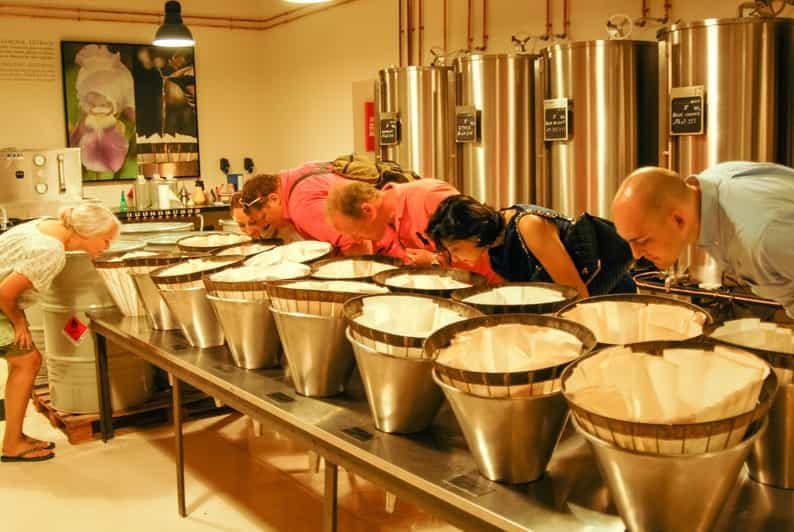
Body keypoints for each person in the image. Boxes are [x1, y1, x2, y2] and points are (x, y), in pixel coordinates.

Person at [0, 203, 119, 462]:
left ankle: (14, 437)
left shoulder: (47, 225)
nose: (106, 248)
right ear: (88, 232)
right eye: (106, 240)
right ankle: (11, 444)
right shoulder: (51, 251)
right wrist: (20, 323)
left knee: (22, 362)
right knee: (27, 362)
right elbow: (4, 293)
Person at [612, 161, 794, 317]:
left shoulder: (764, 237)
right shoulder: (706, 188)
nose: (635, 254)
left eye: (642, 240)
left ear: (678, 220)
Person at [426, 195, 635, 298]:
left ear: (471, 234)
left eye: (455, 249)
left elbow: (577, 295)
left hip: (608, 299)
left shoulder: (528, 225)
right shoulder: (491, 248)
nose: (455, 258)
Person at [325, 178, 459, 266]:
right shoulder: (389, 224)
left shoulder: (429, 196)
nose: (356, 240)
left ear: (368, 210)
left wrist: (435, 260)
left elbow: (476, 242)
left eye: (356, 232)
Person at [240, 165, 371, 255]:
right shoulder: (297, 175)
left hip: (384, 246)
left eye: (264, 217)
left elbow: (355, 241)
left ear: (274, 199)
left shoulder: (301, 206)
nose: (268, 224)